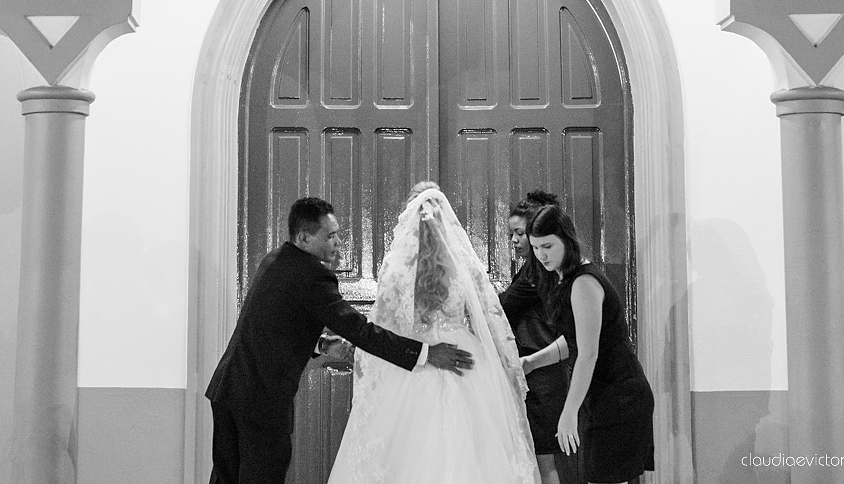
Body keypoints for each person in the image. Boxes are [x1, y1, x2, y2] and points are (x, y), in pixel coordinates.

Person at [205, 195, 473, 484]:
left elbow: (274, 325)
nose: (338, 242)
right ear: (304, 238)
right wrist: (425, 353)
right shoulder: (312, 275)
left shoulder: (276, 259)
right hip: (261, 402)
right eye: (330, 236)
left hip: (228, 390)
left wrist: (321, 344)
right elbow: (360, 330)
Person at [326, 182, 540, 484]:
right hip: (464, 358)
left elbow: (384, 327)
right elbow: (484, 317)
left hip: (413, 360)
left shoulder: (398, 269)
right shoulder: (461, 266)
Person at [521, 203, 654, 484]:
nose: (541, 255)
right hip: (603, 396)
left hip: (620, 395)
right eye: (535, 247)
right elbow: (574, 341)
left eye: (547, 246)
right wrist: (532, 362)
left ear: (566, 239)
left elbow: (589, 353)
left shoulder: (583, 282)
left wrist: (568, 412)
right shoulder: (565, 279)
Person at [500, 190, 573, 484]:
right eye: (512, 234)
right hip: (537, 373)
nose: (514, 240)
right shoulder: (533, 270)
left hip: (542, 375)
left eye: (519, 233)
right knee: (539, 458)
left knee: (544, 459)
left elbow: (503, 307)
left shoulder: (536, 273)